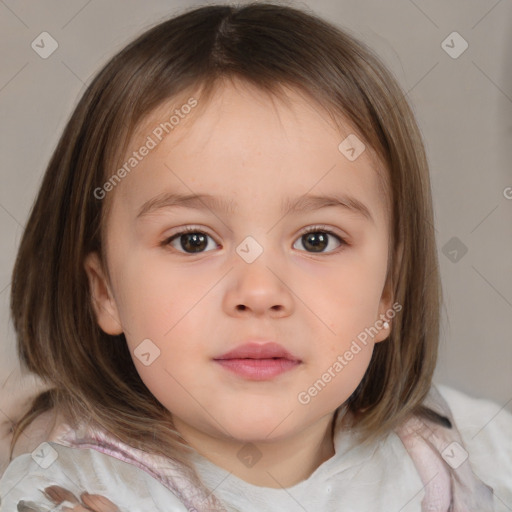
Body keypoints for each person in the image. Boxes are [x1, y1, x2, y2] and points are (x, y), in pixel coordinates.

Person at [0, 2, 510, 511]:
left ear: (386, 293)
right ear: (105, 290)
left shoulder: (471, 453)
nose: (260, 293)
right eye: (193, 241)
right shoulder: (63, 493)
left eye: (317, 240)